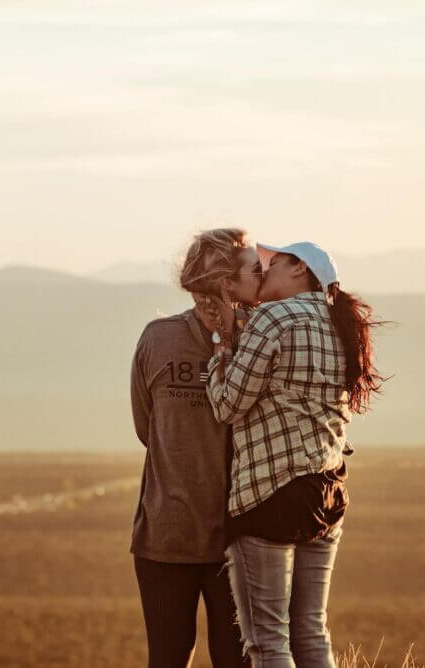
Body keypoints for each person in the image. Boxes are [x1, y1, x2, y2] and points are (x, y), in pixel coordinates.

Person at [204, 241, 387, 668]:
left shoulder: (274, 317)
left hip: (271, 493)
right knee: (310, 630)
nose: (263, 272)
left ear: (300, 268)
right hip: (328, 491)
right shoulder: (341, 324)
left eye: (273, 263)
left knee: (268, 640)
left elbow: (228, 405)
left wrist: (219, 355)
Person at [129, 228, 263, 668]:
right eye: (252, 269)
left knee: (236, 661)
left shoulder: (259, 342)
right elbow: (148, 429)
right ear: (226, 280)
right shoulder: (158, 338)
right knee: (167, 658)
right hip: (166, 538)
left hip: (238, 541)